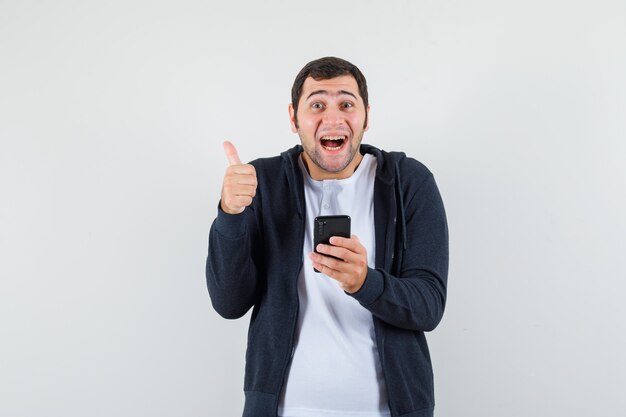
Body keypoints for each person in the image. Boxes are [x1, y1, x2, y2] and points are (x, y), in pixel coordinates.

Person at [206, 56, 449, 417]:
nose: (333, 118)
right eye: (317, 104)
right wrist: (230, 215)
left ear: (366, 115)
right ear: (293, 118)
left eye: (346, 104)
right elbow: (229, 303)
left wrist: (366, 282)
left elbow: (429, 306)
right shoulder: (261, 182)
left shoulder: (408, 181)